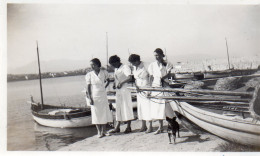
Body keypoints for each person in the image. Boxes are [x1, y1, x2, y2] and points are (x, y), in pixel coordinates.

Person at [148, 48, 174, 134]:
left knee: (168, 106)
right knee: (158, 107)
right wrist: (150, 88)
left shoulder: (167, 63)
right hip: (156, 86)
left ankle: (171, 124)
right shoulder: (152, 65)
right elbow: (151, 77)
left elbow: (170, 74)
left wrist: (163, 78)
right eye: (155, 55)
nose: (156, 57)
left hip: (165, 85)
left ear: (162, 55)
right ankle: (160, 127)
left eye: (158, 55)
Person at [85, 58, 113, 138]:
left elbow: (108, 80)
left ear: (98, 64)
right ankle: (99, 131)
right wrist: (90, 98)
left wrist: (104, 87)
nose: (92, 66)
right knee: (96, 113)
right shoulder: (89, 75)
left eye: (93, 65)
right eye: (91, 65)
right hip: (94, 95)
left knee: (104, 112)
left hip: (103, 95)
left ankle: (104, 131)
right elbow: (88, 87)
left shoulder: (104, 72)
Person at [109, 55, 134, 134]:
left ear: (117, 62)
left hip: (125, 90)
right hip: (119, 90)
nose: (113, 66)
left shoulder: (125, 67)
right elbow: (116, 78)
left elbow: (130, 78)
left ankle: (129, 126)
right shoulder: (116, 69)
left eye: (113, 64)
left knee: (126, 107)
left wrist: (121, 83)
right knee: (119, 108)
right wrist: (114, 83)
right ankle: (118, 126)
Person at [128, 54, 153, 133]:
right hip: (139, 89)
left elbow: (151, 77)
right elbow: (135, 79)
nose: (132, 64)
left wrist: (149, 88)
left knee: (147, 107)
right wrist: (136, 86)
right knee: (141, 107)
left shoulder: (146, 65)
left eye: (133, 62)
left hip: (146, 88)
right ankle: (143, 125)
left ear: (137, 60)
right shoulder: (134, 67)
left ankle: (150, 126)